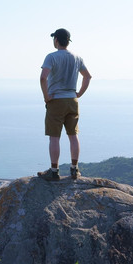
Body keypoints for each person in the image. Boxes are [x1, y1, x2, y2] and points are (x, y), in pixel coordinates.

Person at [37, 28, 91, 181]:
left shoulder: (51, 57)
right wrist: (79, 93)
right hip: (72, 100)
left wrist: (46, 96)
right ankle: (74, 169)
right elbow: (87, 77)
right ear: (68, 41)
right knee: (73, 135)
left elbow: (43, 78)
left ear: (56, 40)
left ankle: (54, 171)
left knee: (54, 137)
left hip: (56, 101)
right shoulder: (77, 58)